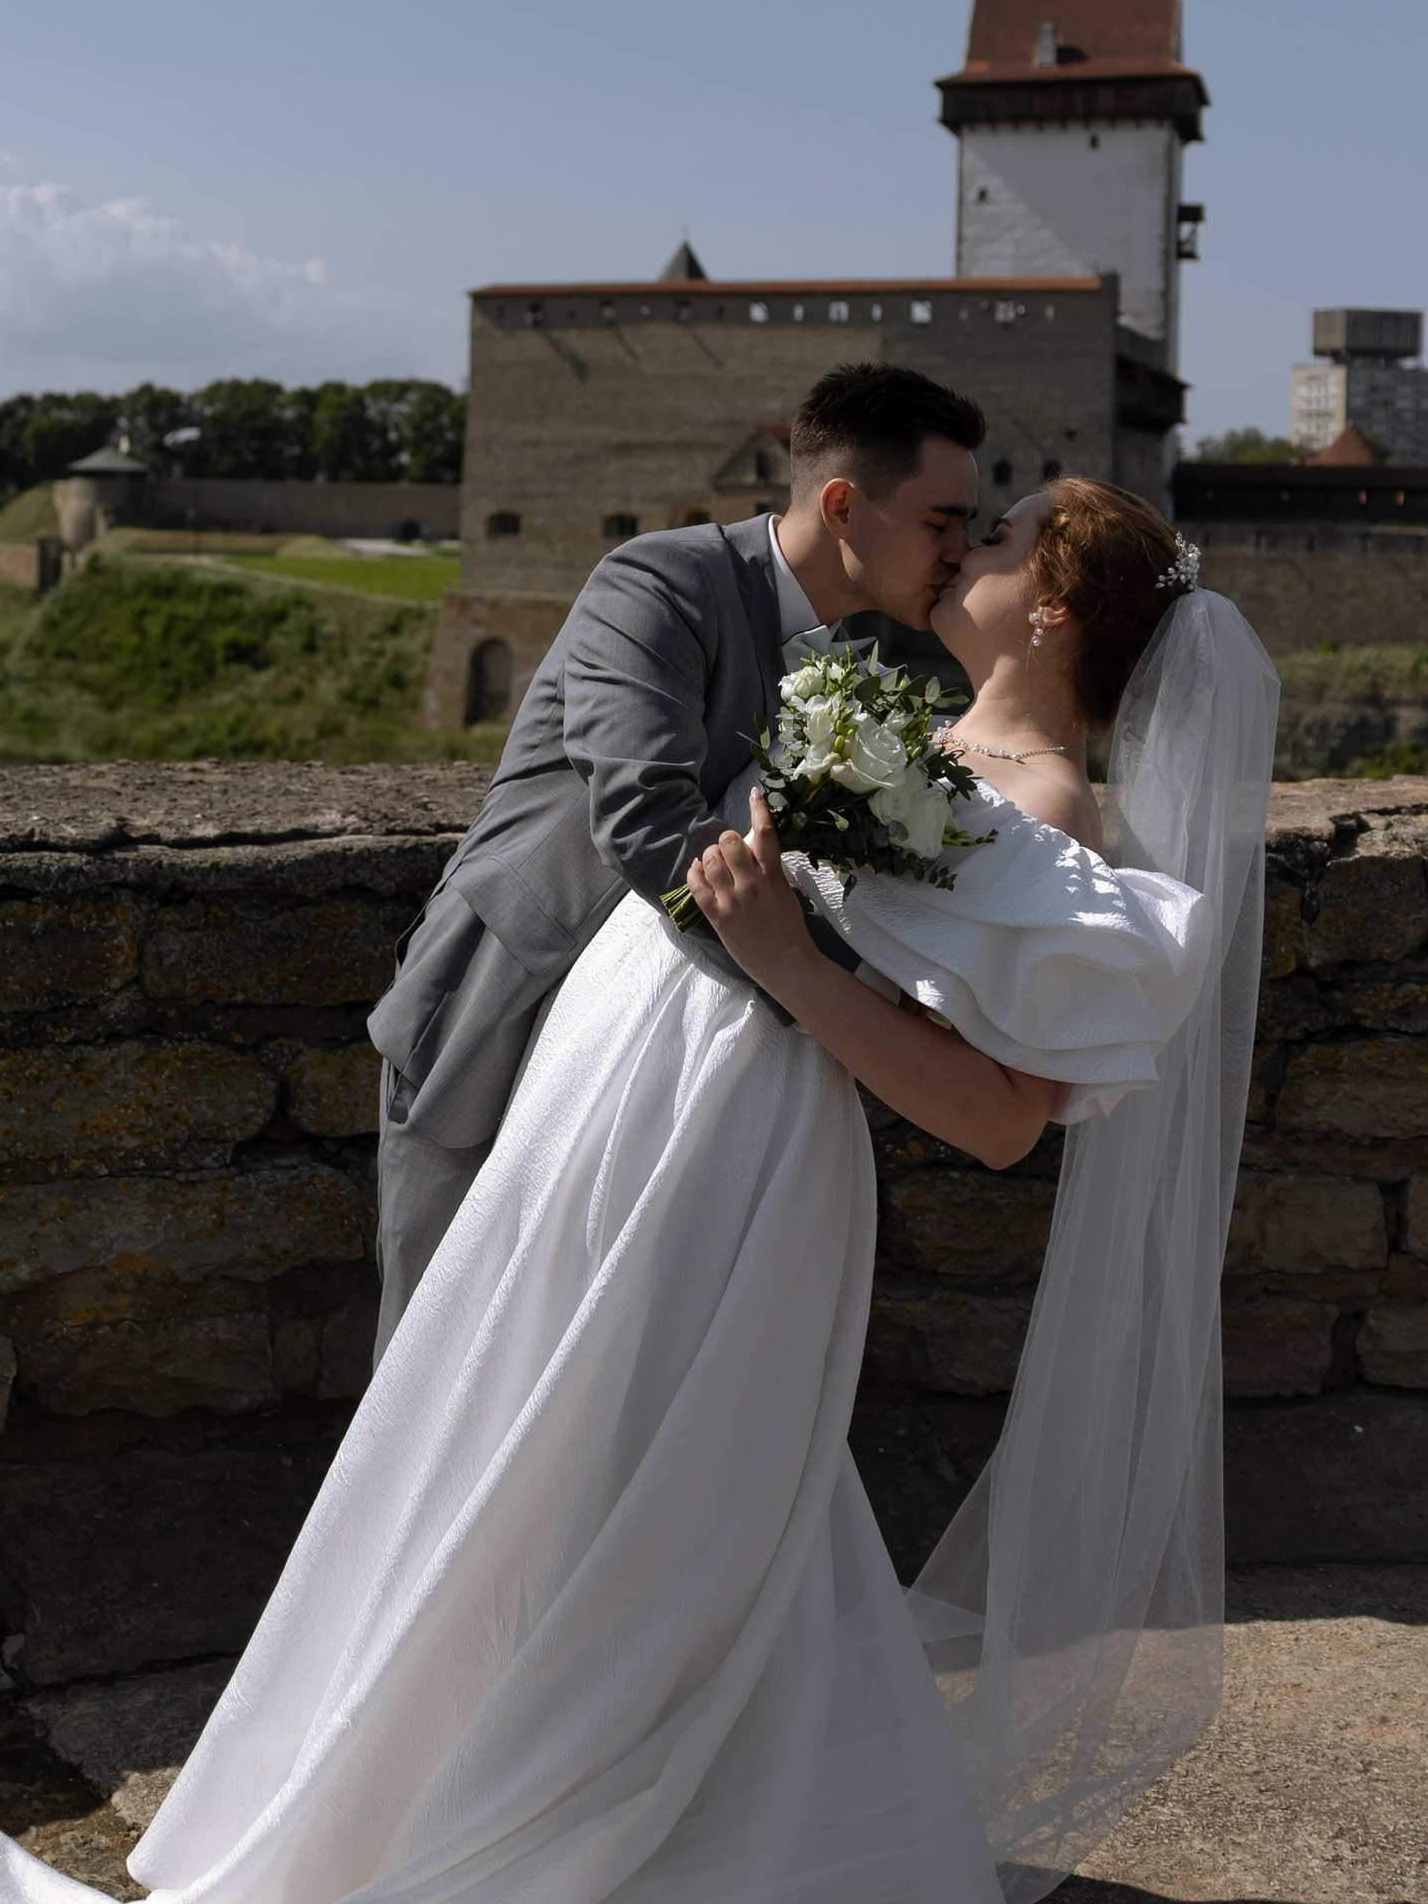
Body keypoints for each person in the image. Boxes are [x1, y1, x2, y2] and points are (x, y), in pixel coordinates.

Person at [0, 462, 1277, 1904]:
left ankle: (594, 1836)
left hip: (735, 1145)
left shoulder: (1048, 800)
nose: (958, 547)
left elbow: (998, 1120)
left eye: (993, 539)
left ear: (1051, 604)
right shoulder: (916, 724)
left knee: (653, 1482)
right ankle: (453, 1785)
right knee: (514, 1444)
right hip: (623, 1083)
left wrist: (784, 958)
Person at [369, 364, 989, 1346]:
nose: (959, 553)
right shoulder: (658, 580)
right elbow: (648, 820)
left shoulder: (846, 657)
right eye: (940, 522)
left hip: (648, 1060)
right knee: (437, 1346)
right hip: (507, 1002)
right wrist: (860, 999)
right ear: (841, 506)